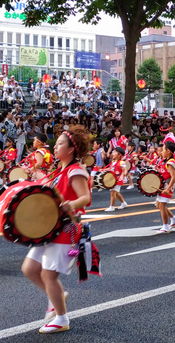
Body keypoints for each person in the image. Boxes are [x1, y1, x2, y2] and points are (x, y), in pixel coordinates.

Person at [21, 127, 92, 334]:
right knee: (29, 269)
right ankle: (57, 297)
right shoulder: (59, 170)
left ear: (71, 149)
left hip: (66, 229)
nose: (55, 145)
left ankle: (61, 318)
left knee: (48, 275)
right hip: (49, 228)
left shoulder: (75, 170)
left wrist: (72, 203)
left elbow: (85, 197)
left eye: (60, 143)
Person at [155, 142, 175, 234]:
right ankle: (174, 219)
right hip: (162, 185)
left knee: (162, 206)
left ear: (169, 151)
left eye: (163, 150)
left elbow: (173, 177)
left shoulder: (171, 162)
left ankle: (165, 226)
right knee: (158, 205)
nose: (161, 152)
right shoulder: (164, 160)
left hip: (167, 185)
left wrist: (168, 188)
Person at [102, 147, 128, 212]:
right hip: (113, 180)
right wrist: (104, 170)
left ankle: (112, 206)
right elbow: (111, 169)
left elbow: (125, 170)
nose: (113, 154)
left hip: (117, 179)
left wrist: (123, 175)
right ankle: (123, 203)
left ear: (119, 155)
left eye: (114, 152)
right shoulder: (113, 162)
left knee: (113, 193)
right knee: (116, 192)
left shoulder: (121, 162)